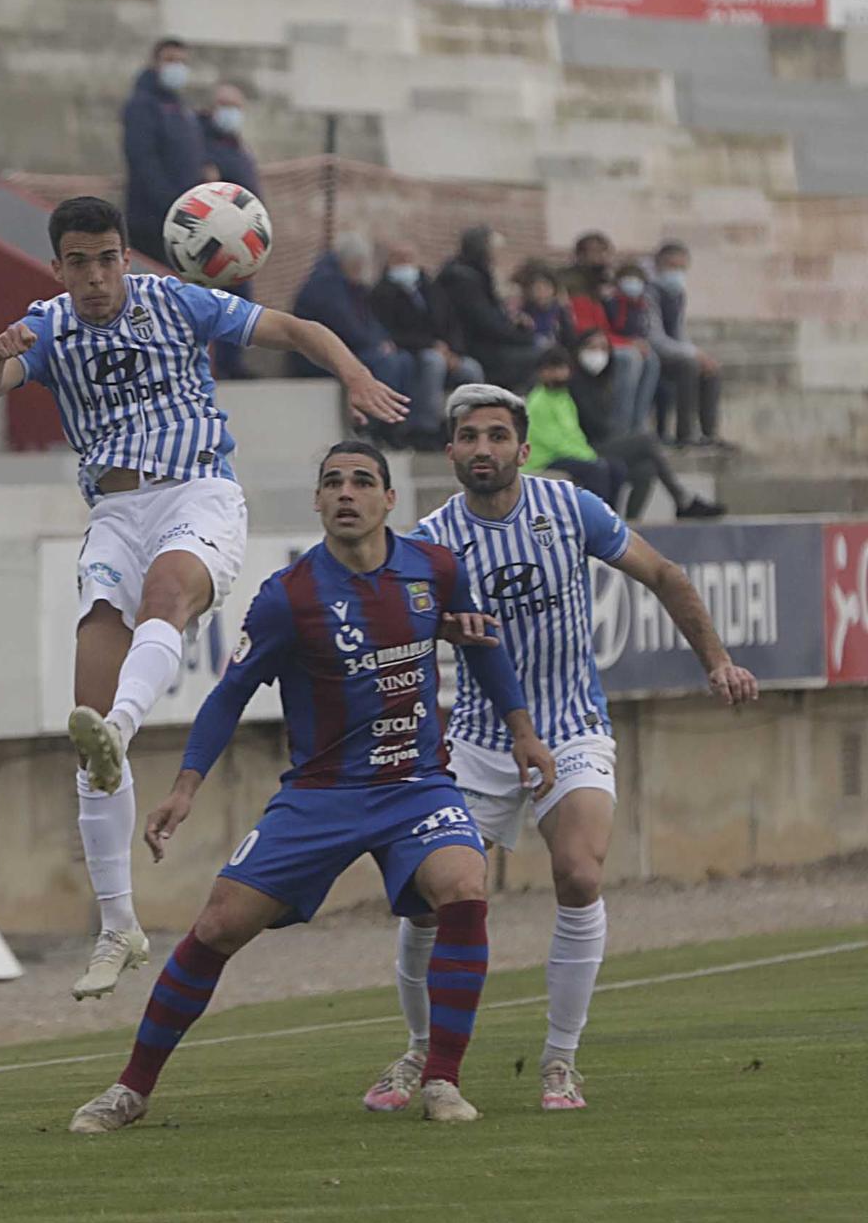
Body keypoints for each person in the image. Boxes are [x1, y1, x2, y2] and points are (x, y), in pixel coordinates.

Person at [0, 194, 408, 1000]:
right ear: (57, 266)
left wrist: (354, 371)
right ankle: (118, 925)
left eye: (107, 259)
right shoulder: (49, 324)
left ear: (126, 257)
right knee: (93, 675)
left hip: (198, 490)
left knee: (164, 602)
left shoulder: (177, 300)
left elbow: (292, 328)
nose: (95, 277)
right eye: (78, 263)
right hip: (114, 512)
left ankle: (119, 727)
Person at [67, 440, 557, 1134]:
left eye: (362, 481)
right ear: (319, 502)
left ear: (390, 500)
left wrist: (525, 734)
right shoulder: (289, 597)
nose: (347, 493)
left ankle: (442, 1079)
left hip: (416, 787)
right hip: (321, 796)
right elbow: (230, 695)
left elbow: (482, 648)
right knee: (215, 928)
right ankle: (131, 1089)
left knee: (464, 885)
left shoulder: (435, 570)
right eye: (333, 483)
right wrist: (184, 787)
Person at [360, 385, 759, 1114]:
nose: (484, 449)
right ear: (450, 451)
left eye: (497, 436)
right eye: (470, 437)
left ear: (523, 446)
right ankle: (420, 1051)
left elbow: (665, 574)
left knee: (578, 873)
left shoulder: (570, 509)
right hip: (478, 743)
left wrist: (717, 662)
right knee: (427, 904)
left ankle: (559, 1061)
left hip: (572, 726)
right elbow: (400, 637)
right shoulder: (429, 542)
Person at [571, 327, 723, 520]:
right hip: (585, 447)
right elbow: (595, 425)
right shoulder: (574, 383)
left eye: (602, 348)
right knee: (646, 440)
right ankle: (682, 499)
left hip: (605, 444)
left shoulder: (603, 382)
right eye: (592, 348)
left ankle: (630, 524)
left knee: (646, 470)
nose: (598, 354)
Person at [286, 234, 405, 433]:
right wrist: (375, 344)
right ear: (349, 261)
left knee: (402, 360)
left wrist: (383, 340)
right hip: (317, 357)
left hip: (351, 349)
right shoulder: (325, 285)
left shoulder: (351, 285)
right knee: (384, 362)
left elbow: (369, 320)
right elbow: (346, 327)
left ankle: (400, 422)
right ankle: (379, 425)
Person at [370, 239, 483, 449]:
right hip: (415, 352)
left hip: (443, 350)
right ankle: (425, 428)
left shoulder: (431, 289)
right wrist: (431, 345)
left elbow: (451, 323)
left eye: (409, 259)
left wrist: (453, 351)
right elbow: (391, 333)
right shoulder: (382, 293)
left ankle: (468, 425)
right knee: (433, 363)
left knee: (471, 369)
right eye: (399, 259)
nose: (405, 265)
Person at [562, 232, 658, 440]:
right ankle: (619, 429)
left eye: (603, 252)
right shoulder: (573, 284)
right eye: (593, 253)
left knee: (650, 358)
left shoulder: (602, 285)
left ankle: (637, 425)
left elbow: (608, 325)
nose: (599, 258)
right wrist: (626, 344)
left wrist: (630, 341)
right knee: (629, 357)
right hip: (584, 344)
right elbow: (585, 328)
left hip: (604, 339)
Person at [121, 37, 206, 267]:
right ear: (155, 63)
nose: (176, 68)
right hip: (152, 221)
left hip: (184, 221)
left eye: (181, 62)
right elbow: (143, 160)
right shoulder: (143, 105)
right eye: (170, 60)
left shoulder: (181, 107)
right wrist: (171, 204)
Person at [198, 80, 261, 380]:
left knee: (239, 301)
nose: (231, 114)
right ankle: (211, 363)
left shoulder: (240, 147)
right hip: (212, 237)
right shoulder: (201, 142)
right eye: (226, 107)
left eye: (236, 108)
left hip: (241, 237)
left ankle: (232, 362)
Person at [439, 226, 541, 393]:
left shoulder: (476, 275)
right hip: (475, 346)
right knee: (540, 355)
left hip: (488, 342)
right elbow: (484, 322)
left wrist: (515, 323)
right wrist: (521, 336)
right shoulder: (462, 278)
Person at [648, 240, 725, 448]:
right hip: (652, 354)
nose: (677, 272)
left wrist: (699, 355)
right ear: (658, 265)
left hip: (672, 351)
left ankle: (709, 434)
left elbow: (679, 332)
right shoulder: (649, 293)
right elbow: (655, 338)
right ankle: (685, 434)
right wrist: (692, 354)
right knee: (689, 366)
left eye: (681, 267)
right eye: (671, 266)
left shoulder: (677, 295)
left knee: (711, 370)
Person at [524, 346, 624, 504]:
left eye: (562, 368)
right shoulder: (538, 403)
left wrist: (589, 455)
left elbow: (574, 433)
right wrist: (589, 458)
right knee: (597, 470)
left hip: (566, 453)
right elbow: (555, 443)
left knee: (617, 469)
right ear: (542, 372)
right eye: (552, 369)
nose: (558, 373)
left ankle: (610, 519)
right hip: (545, 459)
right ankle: (593, 522)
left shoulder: (564, 397)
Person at [513, 260, 570, 351]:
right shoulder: (523, 315)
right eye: (537, 288)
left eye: (546, 287)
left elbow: (569, 339)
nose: (542, 293)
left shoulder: (560, 312)